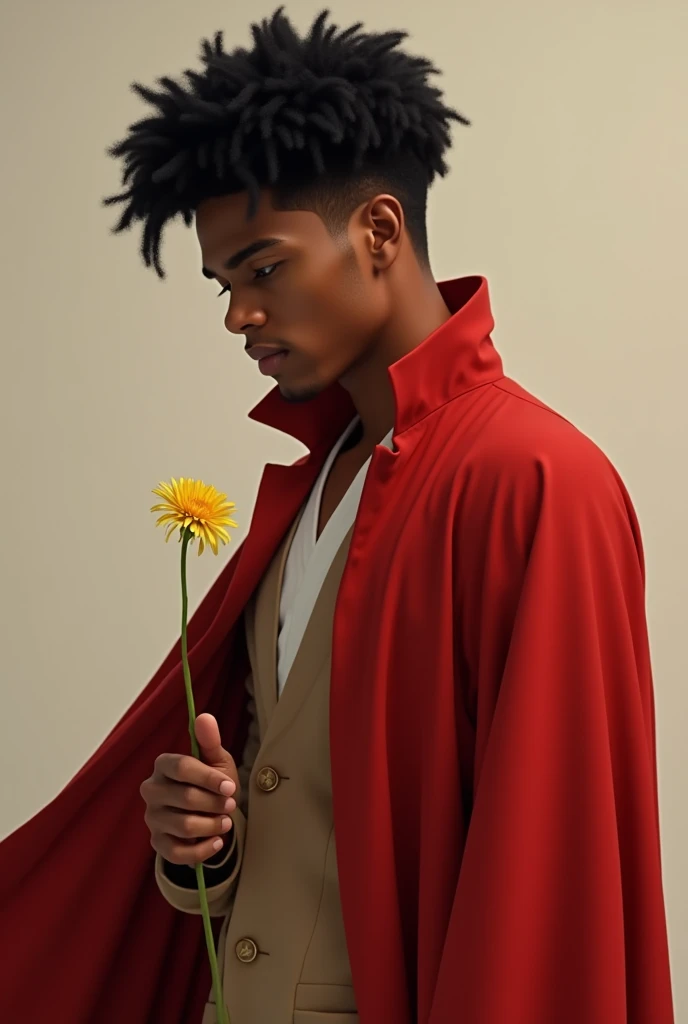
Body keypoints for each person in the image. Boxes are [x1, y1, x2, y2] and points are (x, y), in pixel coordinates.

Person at [0, 8, 675, 1024]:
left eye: (263, 268)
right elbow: (306, 823)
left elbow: (547, 889)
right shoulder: (316, 485)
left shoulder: (536, 480)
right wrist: (211, 847)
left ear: (378, 232)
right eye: (225, 284)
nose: (237, 315)